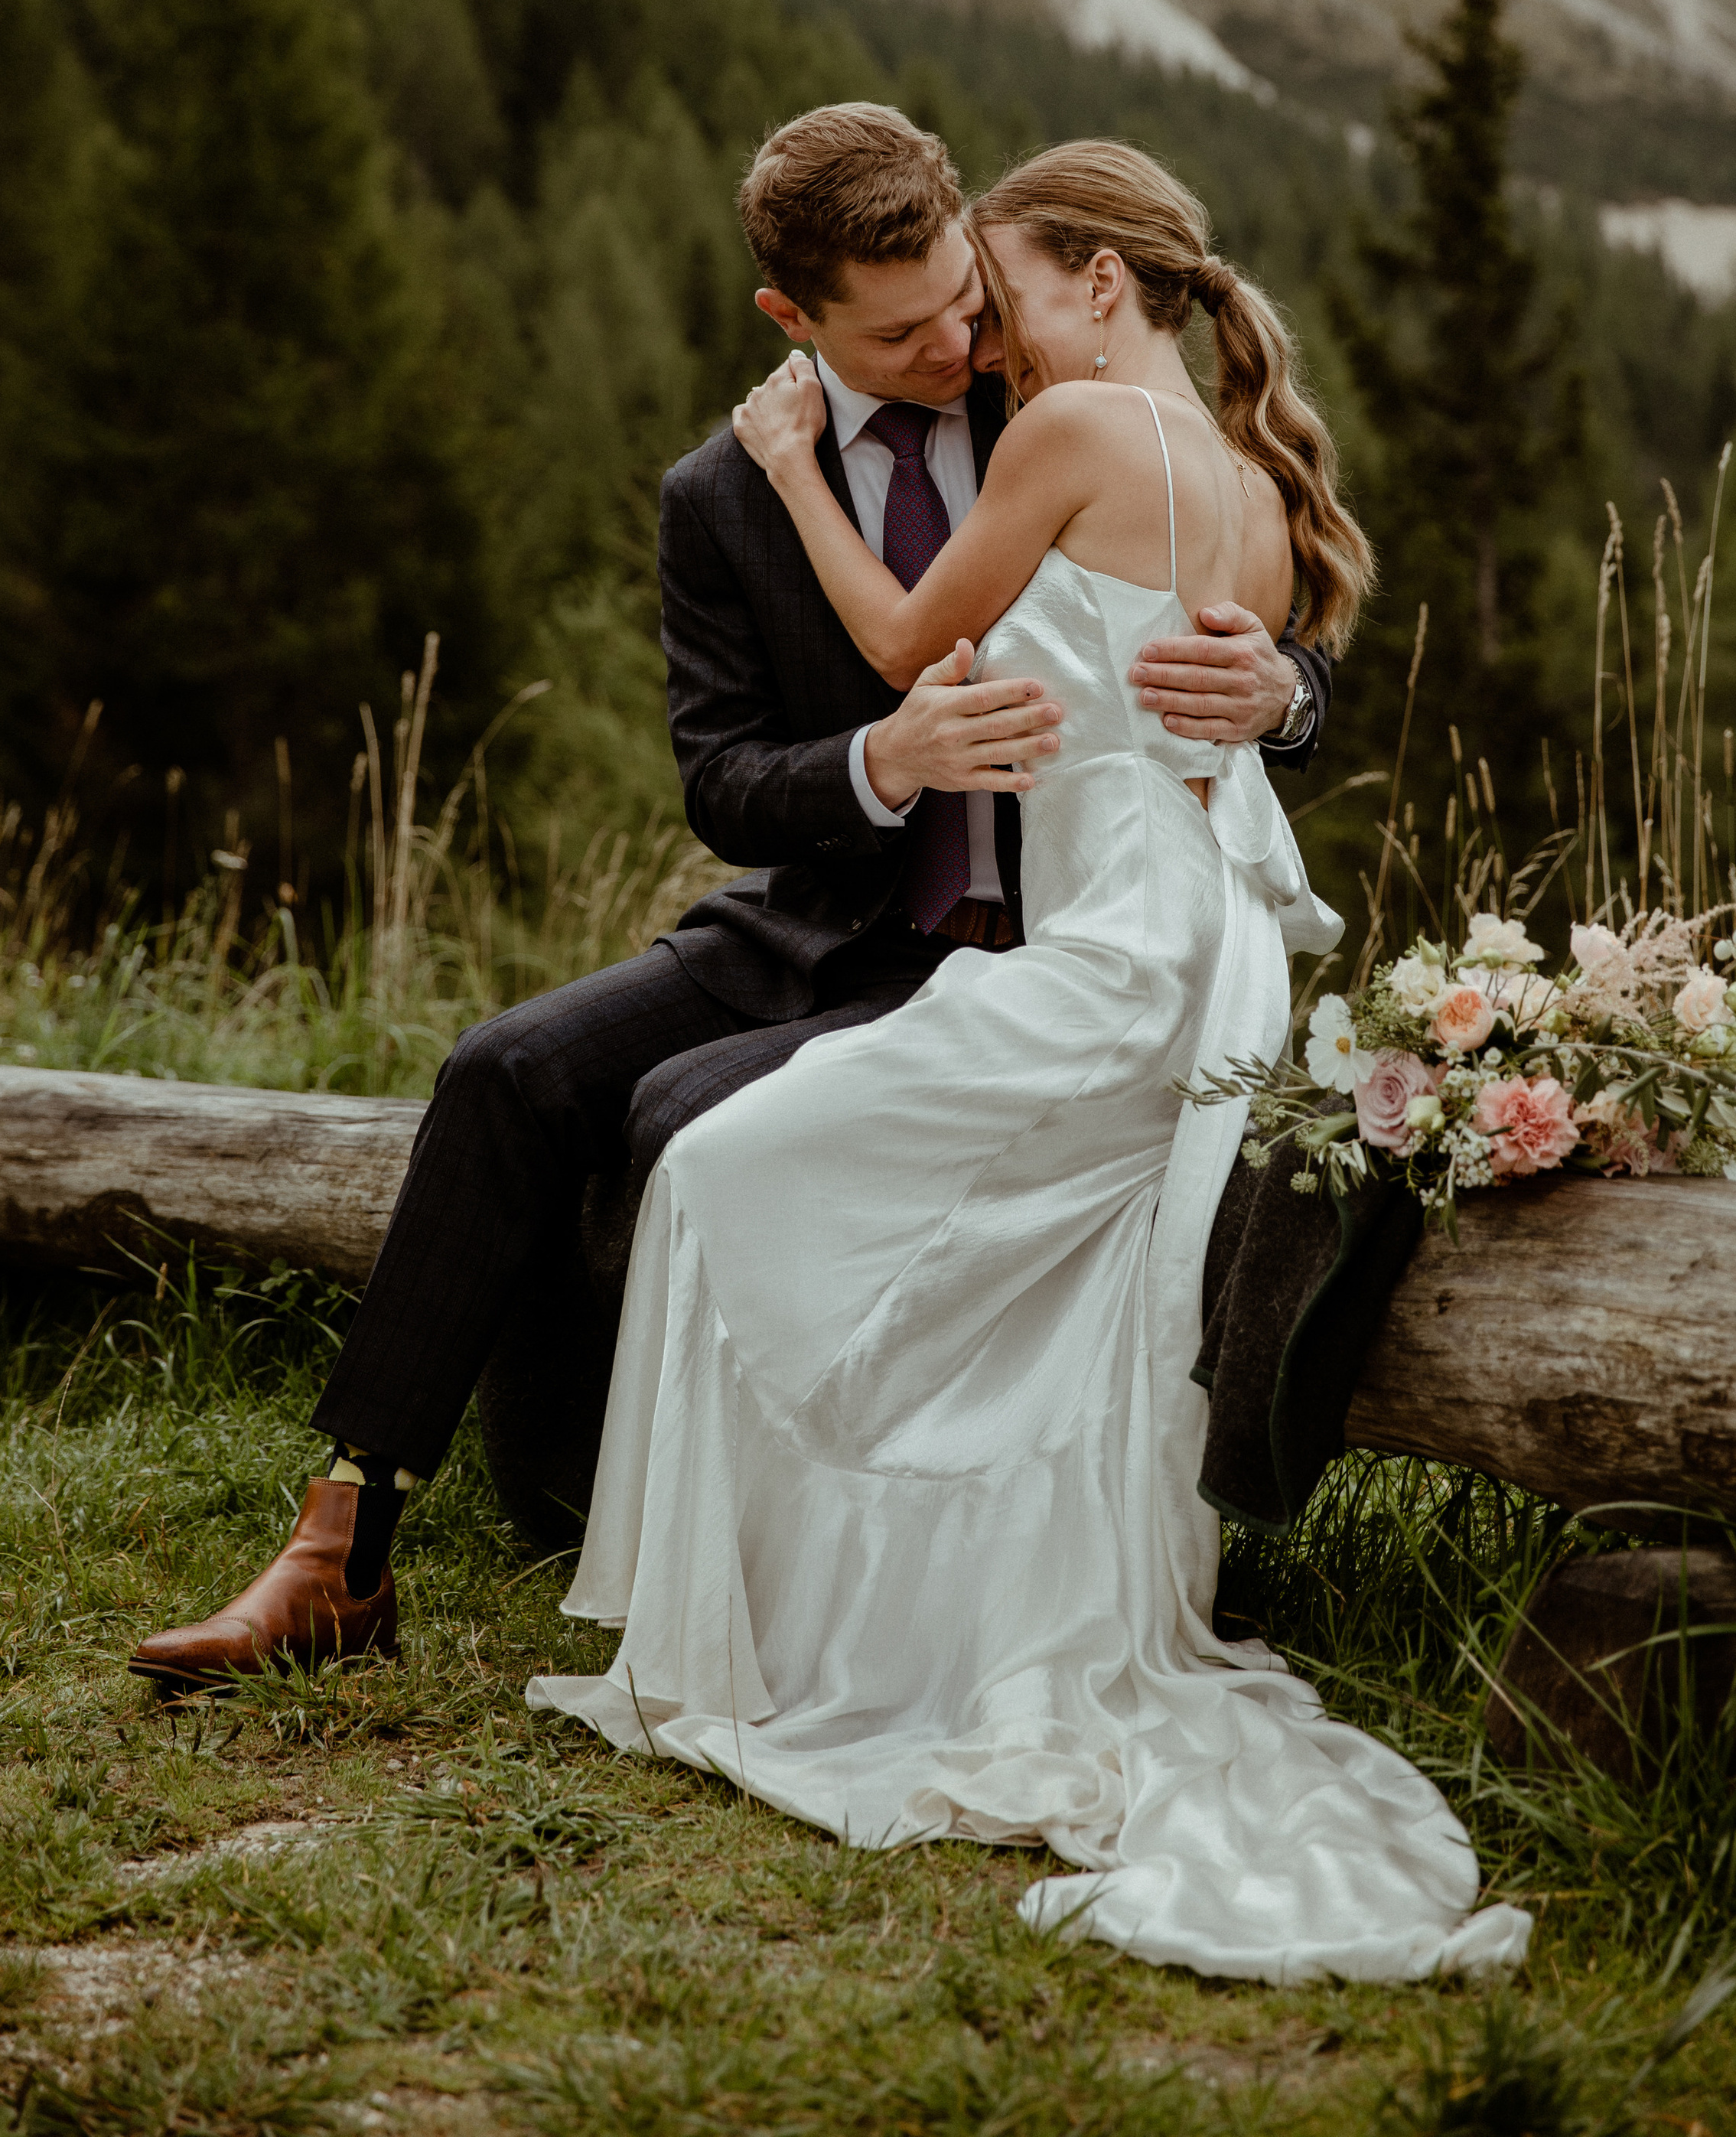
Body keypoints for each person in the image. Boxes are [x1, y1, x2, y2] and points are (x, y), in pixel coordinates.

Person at [129, 106, 1326, 1693]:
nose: (954, 343)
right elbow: (721, 781)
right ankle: (334, 1548)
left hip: (1036, 952)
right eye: (899, 331)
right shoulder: (725, 493)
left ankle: (582, 1500)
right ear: (793, 317)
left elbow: (1221, 624)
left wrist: (1282, 699)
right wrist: (881, 765)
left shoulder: (1057, 394)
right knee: (507, 1070)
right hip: (828, 921)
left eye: (964, 300)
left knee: (681, 1123)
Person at [526, 139, 1532, 1984]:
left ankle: (779, 1634)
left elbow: (912, 640)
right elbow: (1227, 669)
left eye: (995, 287)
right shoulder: (1233, 470)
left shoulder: (1073, 435)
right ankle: (910, 1618)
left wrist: (781, 475)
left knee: (725, 1172)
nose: (977, 328)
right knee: (1040, 1298)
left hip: (1113, 954)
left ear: (1099, 280)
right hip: (1191, 951)